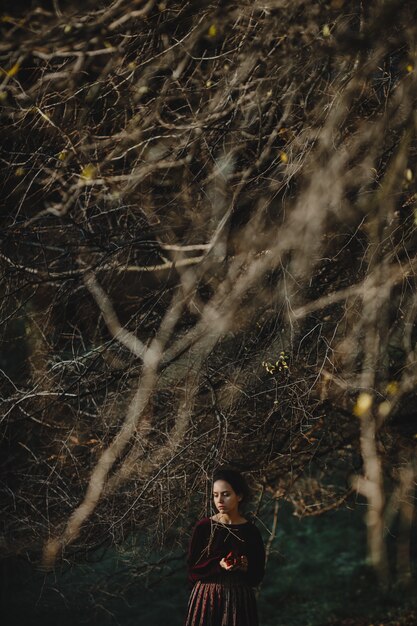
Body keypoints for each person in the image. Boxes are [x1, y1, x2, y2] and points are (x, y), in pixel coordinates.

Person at [184, 467, 266, 626]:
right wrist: (218, 565)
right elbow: (192, 570)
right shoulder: (204, 527)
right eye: (215, 495)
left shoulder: (251, 531)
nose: (219, 500)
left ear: (239, 496)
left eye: (226, 494)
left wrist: (244, 567)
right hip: (206, 598)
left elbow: (257, 575)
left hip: (239, 599)